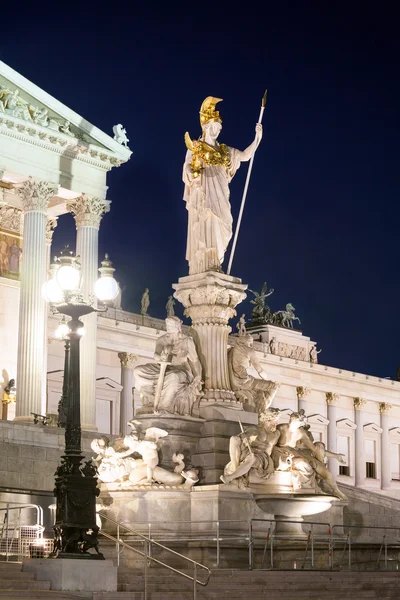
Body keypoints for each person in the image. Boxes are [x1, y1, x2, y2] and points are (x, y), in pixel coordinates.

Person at [183, 96, 262, 275]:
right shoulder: (196, 147)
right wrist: (192, 173)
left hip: (220, 193)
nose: (217, 131)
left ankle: (216, 263)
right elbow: (187, 166)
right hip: (203, 193)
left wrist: (257, 138)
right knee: (207, 222)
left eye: (219, 128)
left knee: (224, 225)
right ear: (206, 127)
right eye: (214, 127)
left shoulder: (225, 151)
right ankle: (204, 265)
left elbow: (245, 156)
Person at [133, 316, 202, 415]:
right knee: (137, 371)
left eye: (170, 325)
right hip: (163, 368)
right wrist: (160, 358)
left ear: (178, 326)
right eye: (167, 325)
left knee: (173, 377)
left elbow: (195, 361)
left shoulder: (187, 341)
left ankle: (164, 408)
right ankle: (153, 398)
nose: (168, 327)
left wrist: (198, 377)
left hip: (181, 370)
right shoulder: (162, 340)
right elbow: (156, 354)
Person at [228, 333, 279, 412]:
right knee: (273, 386)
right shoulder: (249, 350)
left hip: (233, 381)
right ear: (247, 342)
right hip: (244, 381)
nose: (251, 345)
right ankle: (263, 410)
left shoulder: (232, 350)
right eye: (251, 343)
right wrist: (266, 377)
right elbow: (259, 370)